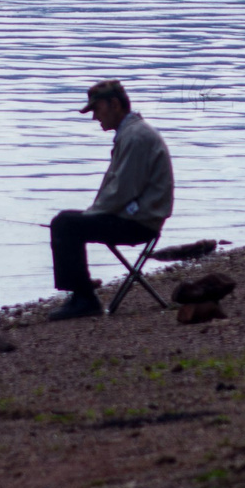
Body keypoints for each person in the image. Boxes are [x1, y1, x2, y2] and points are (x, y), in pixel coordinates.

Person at [46, 80, 174, 321]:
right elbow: (119, 191)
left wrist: (88, 215)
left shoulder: (136, 136)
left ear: (114, 104)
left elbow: (122, 191)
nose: (95, 117)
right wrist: (90, 214)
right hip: (138, 217)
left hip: (139, 223)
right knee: (68, 222)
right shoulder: (132, 133)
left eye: (96, 109)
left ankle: (84, 298)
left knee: (65, 224)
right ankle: (80, 291)